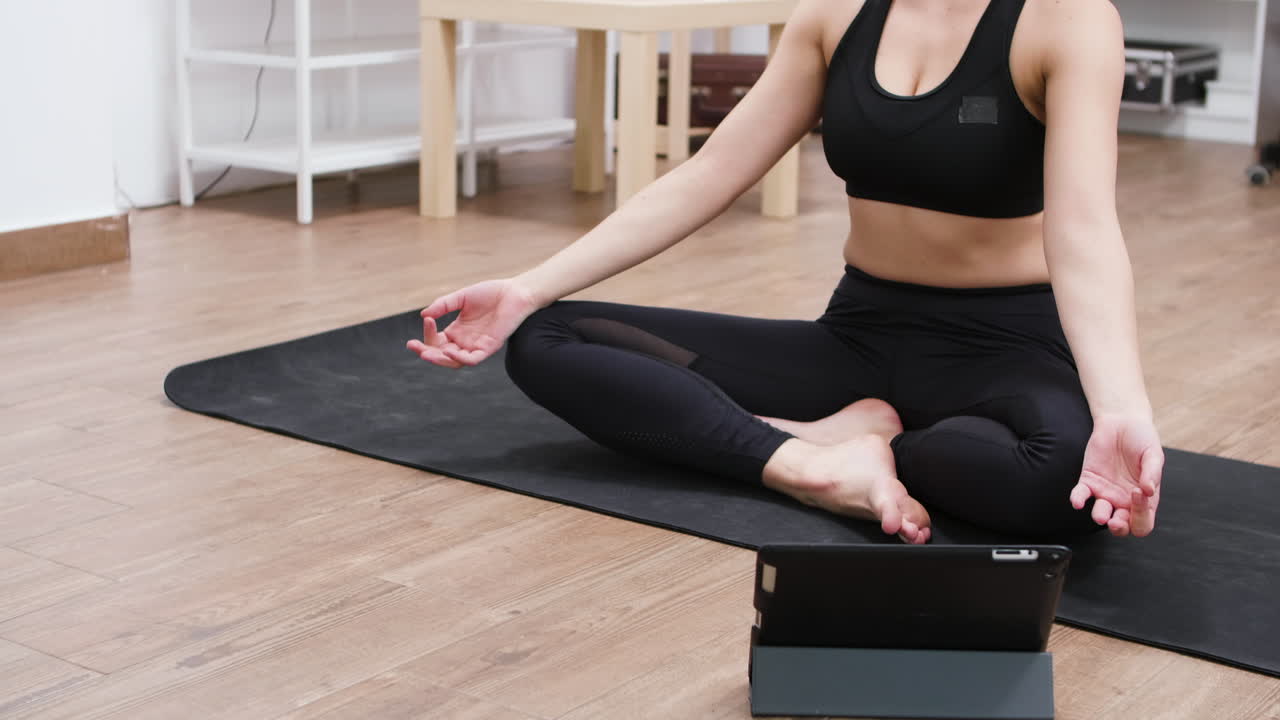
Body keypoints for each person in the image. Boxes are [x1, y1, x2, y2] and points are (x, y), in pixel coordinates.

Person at [407, 0, 1165, 545]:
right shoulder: (835, 13)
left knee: (1067, 482)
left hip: (1007, 347)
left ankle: (872, 447)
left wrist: (1121, 405)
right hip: (859, 337)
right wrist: (530, 285)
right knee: (551, 337)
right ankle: (810, 461)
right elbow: (709, 174)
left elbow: (1084, 227)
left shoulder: (1066, 18)